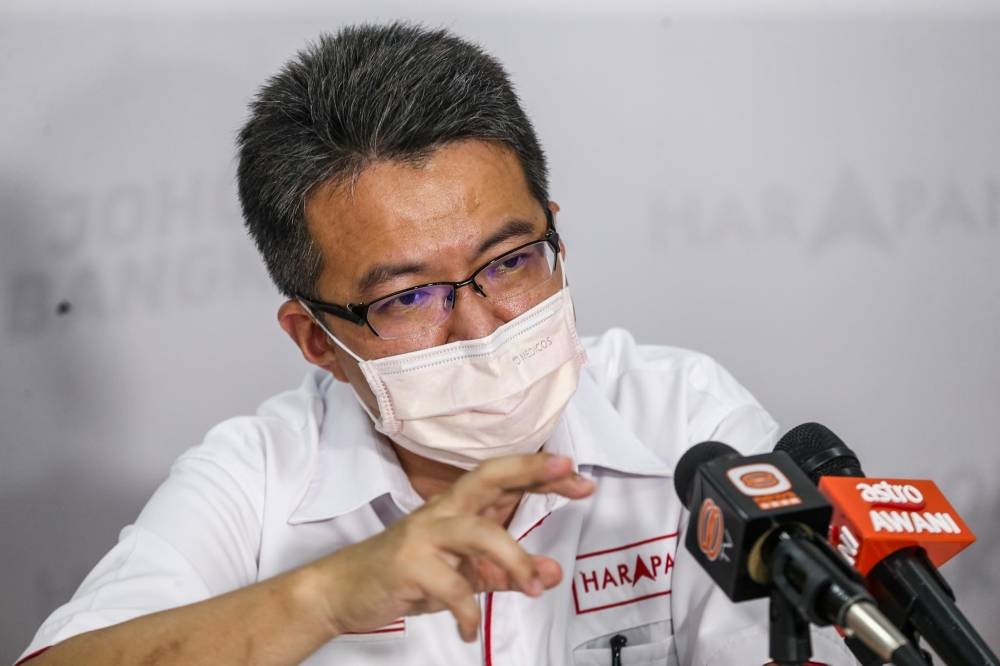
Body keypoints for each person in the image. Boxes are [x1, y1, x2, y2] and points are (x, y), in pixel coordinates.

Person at [18, 22, 857, 665]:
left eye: (511, 260)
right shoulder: (256, 480)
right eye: (409, 296)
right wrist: (323, 597)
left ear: (556, 237)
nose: (483, 325)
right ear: (316, 340)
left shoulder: (683, 422)